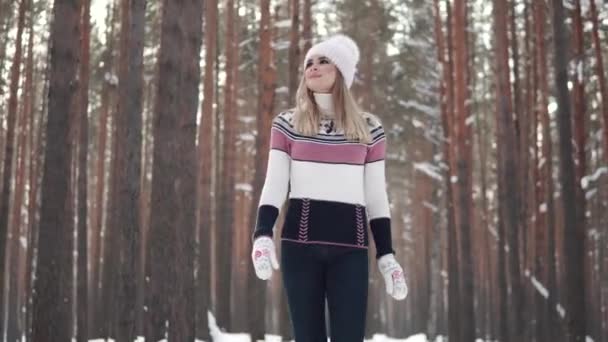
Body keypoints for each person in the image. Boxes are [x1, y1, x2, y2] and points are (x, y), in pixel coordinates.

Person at [250, 34, 407, 342]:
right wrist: (262, 234)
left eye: (324, 61)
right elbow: (276, 183)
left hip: (351, 250)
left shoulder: (370, 129)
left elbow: (376, 197)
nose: (314, 67)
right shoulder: (287, 124)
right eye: (309, 62)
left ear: (342, 73)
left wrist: (386, 255)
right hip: (299, 247)